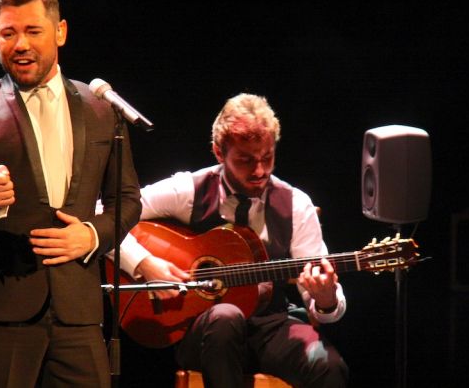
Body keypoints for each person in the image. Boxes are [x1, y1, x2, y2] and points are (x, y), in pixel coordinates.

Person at [0, 0, 141, 388]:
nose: (21, 45)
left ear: (60, 32)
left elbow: (127, 200)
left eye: (33, 31)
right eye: (8, 33)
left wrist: (91, 235)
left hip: (78, 311)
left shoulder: (102, 110)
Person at [118, 93, 348, 387]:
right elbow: (106, 217)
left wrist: (326, 298)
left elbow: (324, 307)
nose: (260, 171)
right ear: (218, 153)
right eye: (245, 160)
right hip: (206, 331)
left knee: (329, 367)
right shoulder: (187, 191)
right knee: (226, 317)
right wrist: (144, 263)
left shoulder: (295, 205)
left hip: (272, 325)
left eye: (267, 157)